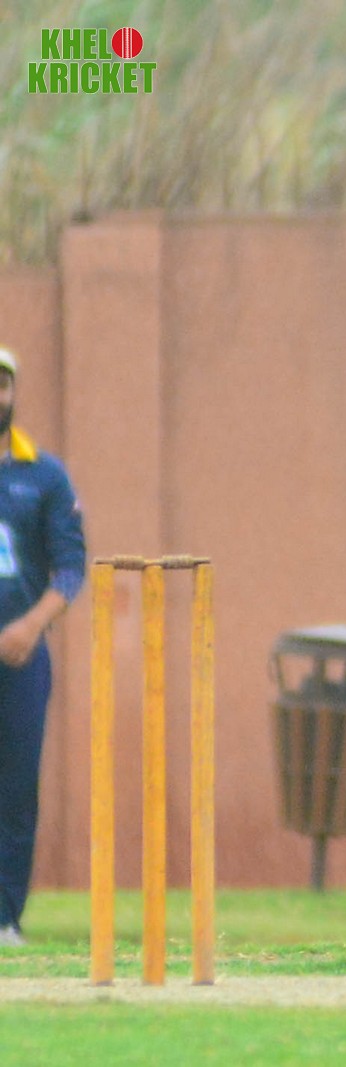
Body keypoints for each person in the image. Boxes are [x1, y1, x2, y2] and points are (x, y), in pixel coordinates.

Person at [0, 345, 86, 947]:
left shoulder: (44, 475)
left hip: (21, 658)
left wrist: (31, 627)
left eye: (2, 385)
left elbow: (71, 568)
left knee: (15, 787)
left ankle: (5, 918)